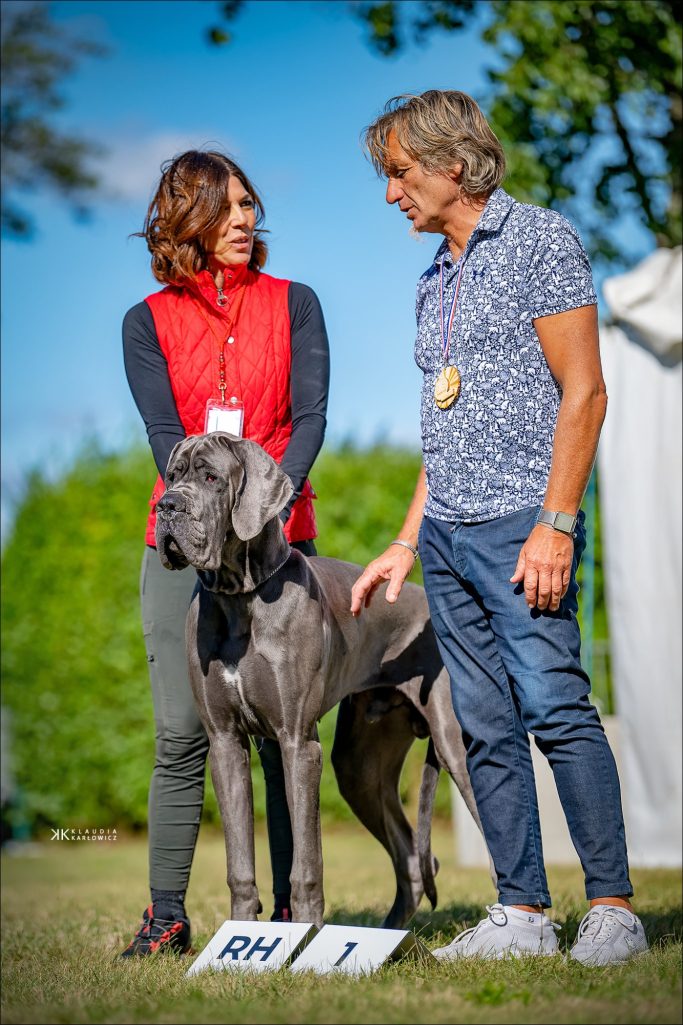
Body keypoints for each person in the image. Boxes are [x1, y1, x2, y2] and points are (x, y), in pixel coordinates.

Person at [351, 91, 648, 966]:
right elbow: (440, 428)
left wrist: (555, 524)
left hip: (525, 522)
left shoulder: (539, 241)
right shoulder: (430, 279)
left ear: (452, 164)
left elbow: (584, 392)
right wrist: (409, 537)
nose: (390, 193)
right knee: (481, 724)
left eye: (399, 174)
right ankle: (520, 914)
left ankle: (613, 909)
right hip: (445, 535)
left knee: (556, 706)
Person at [121, 150, 330, 956]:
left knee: (288, 736)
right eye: (226, 206)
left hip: (280, 543)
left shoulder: (296, 304)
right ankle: (167, 916)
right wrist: (213, 518)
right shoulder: (146, 321)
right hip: (183, 545)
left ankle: (287, 915)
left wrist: (262, 509)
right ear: (186, 220)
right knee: (181, 731)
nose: (245, 218)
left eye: (250, 204)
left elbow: (309, 416)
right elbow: (165, 438)